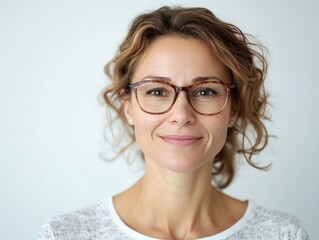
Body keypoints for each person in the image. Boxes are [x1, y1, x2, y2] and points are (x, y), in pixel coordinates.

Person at [37, 6, 309, 240]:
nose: (181, 115)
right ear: (128, 107)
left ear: (234, 108)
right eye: (156, 91)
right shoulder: (64, 235)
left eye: (205, 91)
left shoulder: (283, 234)